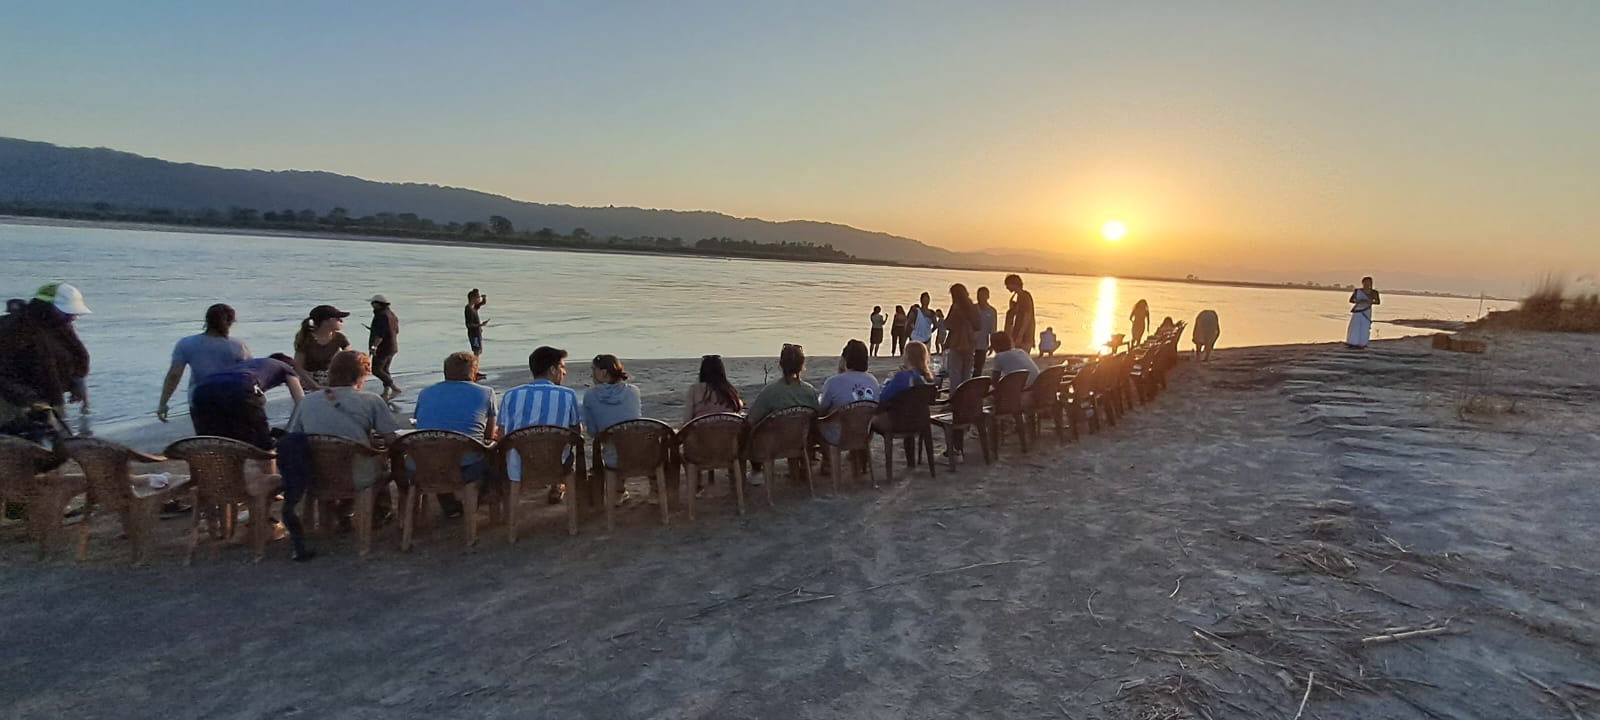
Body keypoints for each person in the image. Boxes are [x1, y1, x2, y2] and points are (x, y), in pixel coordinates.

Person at [283, 351, 402, 550]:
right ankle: (380, 513)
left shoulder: (307, 401)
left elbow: (292, 435)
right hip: (356, 474)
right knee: (383, 460)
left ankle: (341, 511)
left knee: (354, 454)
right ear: (363, 374)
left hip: (316, 474)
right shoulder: (370, 400)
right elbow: (391, 438)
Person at [0, 283, 91, 443]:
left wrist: (78, 381)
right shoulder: (14, 329)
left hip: (48, 397)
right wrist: (27, 398)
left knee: (59, 443)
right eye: (66, 313)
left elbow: (77, 356)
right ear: (46, 306)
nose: (72, 317)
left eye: (73, 313)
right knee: (22, 445)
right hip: (14, 401)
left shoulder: (60, 328)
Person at [412, 351, 497, 518]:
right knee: (492, 457)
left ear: (445, 372)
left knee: (437, 452)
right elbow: (488, 434)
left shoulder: (426, 393)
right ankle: (476, 501)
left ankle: (449, 504)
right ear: (473, 373)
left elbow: (418, 424)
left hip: (426, 465)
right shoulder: (486, 393)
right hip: (465, 466)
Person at [498, 346, 580, 504]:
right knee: (563, 445)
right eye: (562, 367)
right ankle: (558, 485)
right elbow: (575, 432)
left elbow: (502, 433)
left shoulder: (511, 395)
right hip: (557, 463)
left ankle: (512, 523)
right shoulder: (568, 395)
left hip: (518, 465)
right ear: (552, 369)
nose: (564, 372)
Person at [158, 303, 251, 427]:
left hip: (200, 399)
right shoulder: (238, 346)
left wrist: (163, 403)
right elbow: (249, 375)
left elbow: (174, 375)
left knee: (206, 440)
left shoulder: (186, 343)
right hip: (232, 399)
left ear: (207, 320)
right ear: (230, 322)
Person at [188, 353, 303, 449]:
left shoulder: (250, 365)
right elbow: (301, 403)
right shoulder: (286, 368)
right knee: (263, 443)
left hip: (201, 390)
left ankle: (213, 473)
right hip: (241, 386)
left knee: (214, 442)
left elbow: (258, 398)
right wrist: (289, 431)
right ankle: (270, 474)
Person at [745, 344, 819, 486]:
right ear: (802, 365)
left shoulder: (771, 391)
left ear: (780, 364)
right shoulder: (809, 391)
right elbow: (817, 416)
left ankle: (755, 471)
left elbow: (751, 420)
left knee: (749, 431)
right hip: (801, 441)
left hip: (775, 444)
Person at [581, 354, 643, 474]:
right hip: (637, 450)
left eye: (594, 369)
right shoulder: (633, 391)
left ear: (604, 372)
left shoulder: (590, 395)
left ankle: (617, 488)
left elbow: (593, 432)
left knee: (610, 450)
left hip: (613, 456)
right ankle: (656, 489)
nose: (591, 374)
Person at [817, 340, 880, 445]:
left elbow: (821, 410)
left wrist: (840, 371)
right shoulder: (872, 380)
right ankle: (856, 456)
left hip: (839, 435)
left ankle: (826, 458)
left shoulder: (833, 382)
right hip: (864, 432)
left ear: (845, 359)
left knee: (815, 424)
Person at [293, 305, 351, 390]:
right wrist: (315, 386)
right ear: (326, 321)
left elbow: (350, 359)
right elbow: (298, 367)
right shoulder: (306, 339)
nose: (341, 321)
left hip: (332, 380)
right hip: (309, 382)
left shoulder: (340, 338)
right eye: (337, 318)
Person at [684, 354, 743, 422]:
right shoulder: (730, 390)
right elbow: (738, 409)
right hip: (729, 430)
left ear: (703, 371)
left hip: (702, 431)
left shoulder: (694, 389)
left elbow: (687, 419)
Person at [942, 284, 980, 388]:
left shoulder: (956, 307)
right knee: (966, 373)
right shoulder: (973, 307)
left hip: (957, 343)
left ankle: (956, 398)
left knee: (955, 373)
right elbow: (978, 326)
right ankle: (965, 396)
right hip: (970, 342)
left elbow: (949, 325)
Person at [366, 294, 401, 401]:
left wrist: (374, 347)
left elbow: (380, 334)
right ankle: (386, 392)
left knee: (376, 370)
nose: (371, 305)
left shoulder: (380, 316)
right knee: (385, 369)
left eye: (372, 303)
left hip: (383, 348)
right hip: (392, 346)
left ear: (377, 304)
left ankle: (394, 388)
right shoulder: (391, 314)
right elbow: (396, 331)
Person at [1004, 274, 1036, 354]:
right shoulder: (1019, 296)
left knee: (1020, 357)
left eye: (1008, 285)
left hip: (1025, 335)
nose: (1007, 287)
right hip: (1021, 333)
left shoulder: (1024, 296)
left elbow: (1027, 317)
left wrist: (1020, 336)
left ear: (1013, 284)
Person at [1346, 277, 1380, 349]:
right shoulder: (1357, 291)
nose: (1366, 284)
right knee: (1355, 326)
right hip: (1358, 310)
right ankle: (1352, 342)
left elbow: (1378, 302)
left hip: (1366, 310)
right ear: (1362, 283)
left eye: (1368, 283)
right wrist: (1358, 301)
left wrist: (1369, 302)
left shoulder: (1374, 292)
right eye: (1365, 282)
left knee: (1365, 326)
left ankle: (1362, 343)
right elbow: (1351, 300)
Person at [974, 287, 998, 376]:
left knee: (979, 367)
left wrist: (993, 344)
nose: (980, 297)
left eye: (983, 295)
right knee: (968, 367)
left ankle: (976, 385)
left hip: (983, 344)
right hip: (970, 342)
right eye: (979, 295)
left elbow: (993, 329)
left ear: (988, 296)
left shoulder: (992, 311)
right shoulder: (973, 308)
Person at [464, 289, 489, 357]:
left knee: (479, 351)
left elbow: (482, 303)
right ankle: (474, 366)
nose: (479, 299)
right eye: (478, 298)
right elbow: (468, 325)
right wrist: (480, 325)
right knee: (476, 351)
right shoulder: (468, 309)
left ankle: (475, 365)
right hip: (473, 334)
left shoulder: (474, 307)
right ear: (473, 298)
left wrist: (484, 298)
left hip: (477, 332)